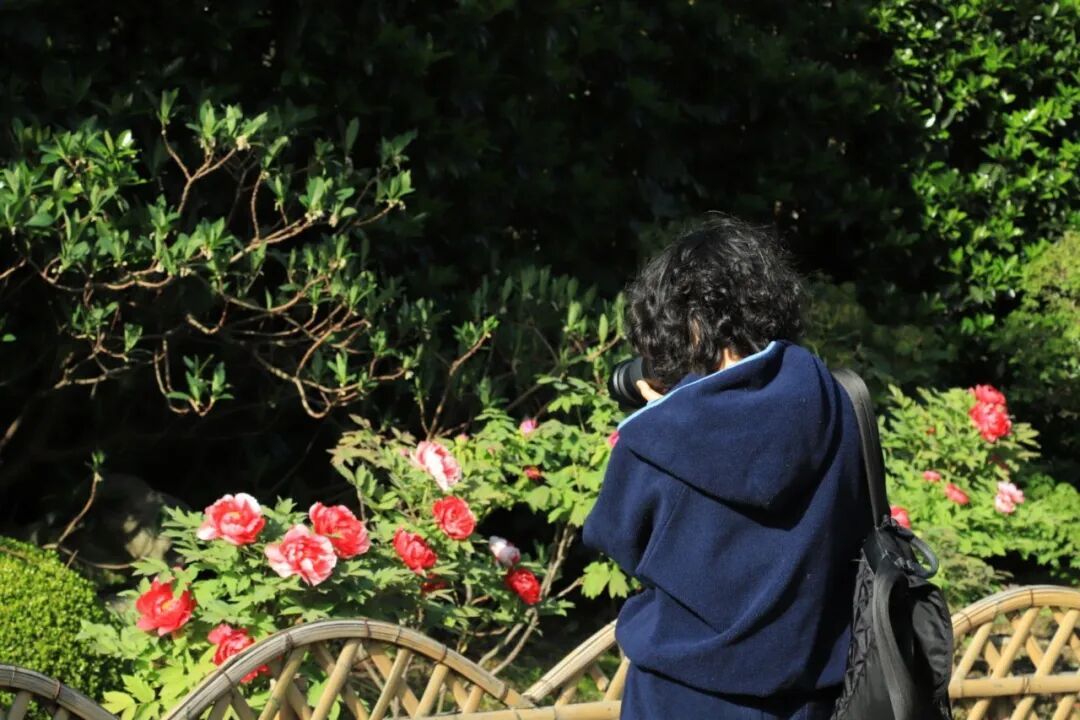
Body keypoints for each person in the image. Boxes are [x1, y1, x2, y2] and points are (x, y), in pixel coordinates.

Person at [582, 215, 869, 719]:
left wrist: (663, 416)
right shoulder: (836, 402)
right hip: (808, 696)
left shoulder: (660, 433)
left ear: (687, 318)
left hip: (681, 694)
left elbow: (616, 537)